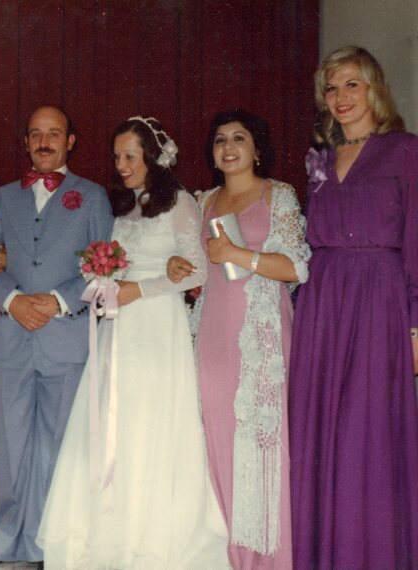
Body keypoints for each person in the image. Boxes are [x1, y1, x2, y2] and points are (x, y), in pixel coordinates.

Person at [36, 116, 228, 569]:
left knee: (151, 422)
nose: (121, 165)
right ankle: (109, 534)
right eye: (117, 156)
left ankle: (151, 535)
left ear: (153, 157)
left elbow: (197, 271)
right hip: (119, 326)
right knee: (113, 419)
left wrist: (137, 289)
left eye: (130, 156)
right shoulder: (120, 205)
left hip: (157, 323)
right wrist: (103, 277)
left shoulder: (180, 203)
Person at [288, 46, 418, 569]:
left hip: (379, 302)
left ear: (373, 89)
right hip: (322, 305)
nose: (340, 97)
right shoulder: (319, 160)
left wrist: (415, 324)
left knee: (366, 434)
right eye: (331, 87)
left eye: (351, 85)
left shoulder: (405, 150)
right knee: (321, 431)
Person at [0, 105, 113, 567]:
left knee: (58, 446)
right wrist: (12, 301)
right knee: (10, 443)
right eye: (36, 134)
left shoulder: (92, 196)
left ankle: (51, 544)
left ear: (70, 141)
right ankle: (6, 539)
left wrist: (57, 301)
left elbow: (104, 264)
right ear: (26, 142)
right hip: (14, 335)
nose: (44, 142)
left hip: (65, 336)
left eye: (54, 133)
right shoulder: (3, 196)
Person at [168, 109, 310, 569]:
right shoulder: (203, 200)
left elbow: (296, 267)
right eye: (220, 140)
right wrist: (178, 266)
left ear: (257, 148)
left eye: (239, 138)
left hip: (260, 338)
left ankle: (268, 559)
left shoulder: (278, 195)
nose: (228, 147)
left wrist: (238, 254)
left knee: (262, 446)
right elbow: (195, 266)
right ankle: (226, 556)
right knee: (217, 441)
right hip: (212, 335)